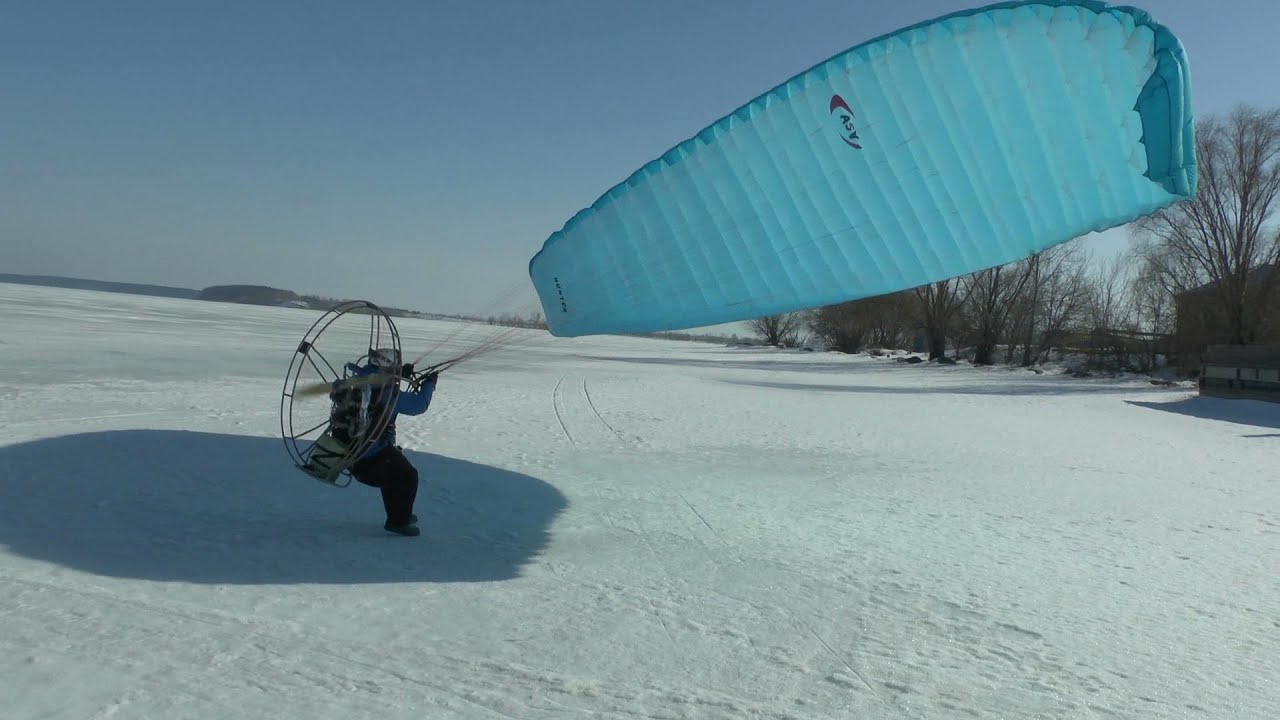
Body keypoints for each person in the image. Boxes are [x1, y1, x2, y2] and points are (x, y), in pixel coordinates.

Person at [329, 347, 437, 537]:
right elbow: (418, 405)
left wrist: (398, 376)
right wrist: (429, 384)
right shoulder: (387, 393)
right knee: (407, 476)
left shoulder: (360, 380)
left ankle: (399, 513)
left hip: (350, 452)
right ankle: (398, 521)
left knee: (394, 475)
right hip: (370, 456)